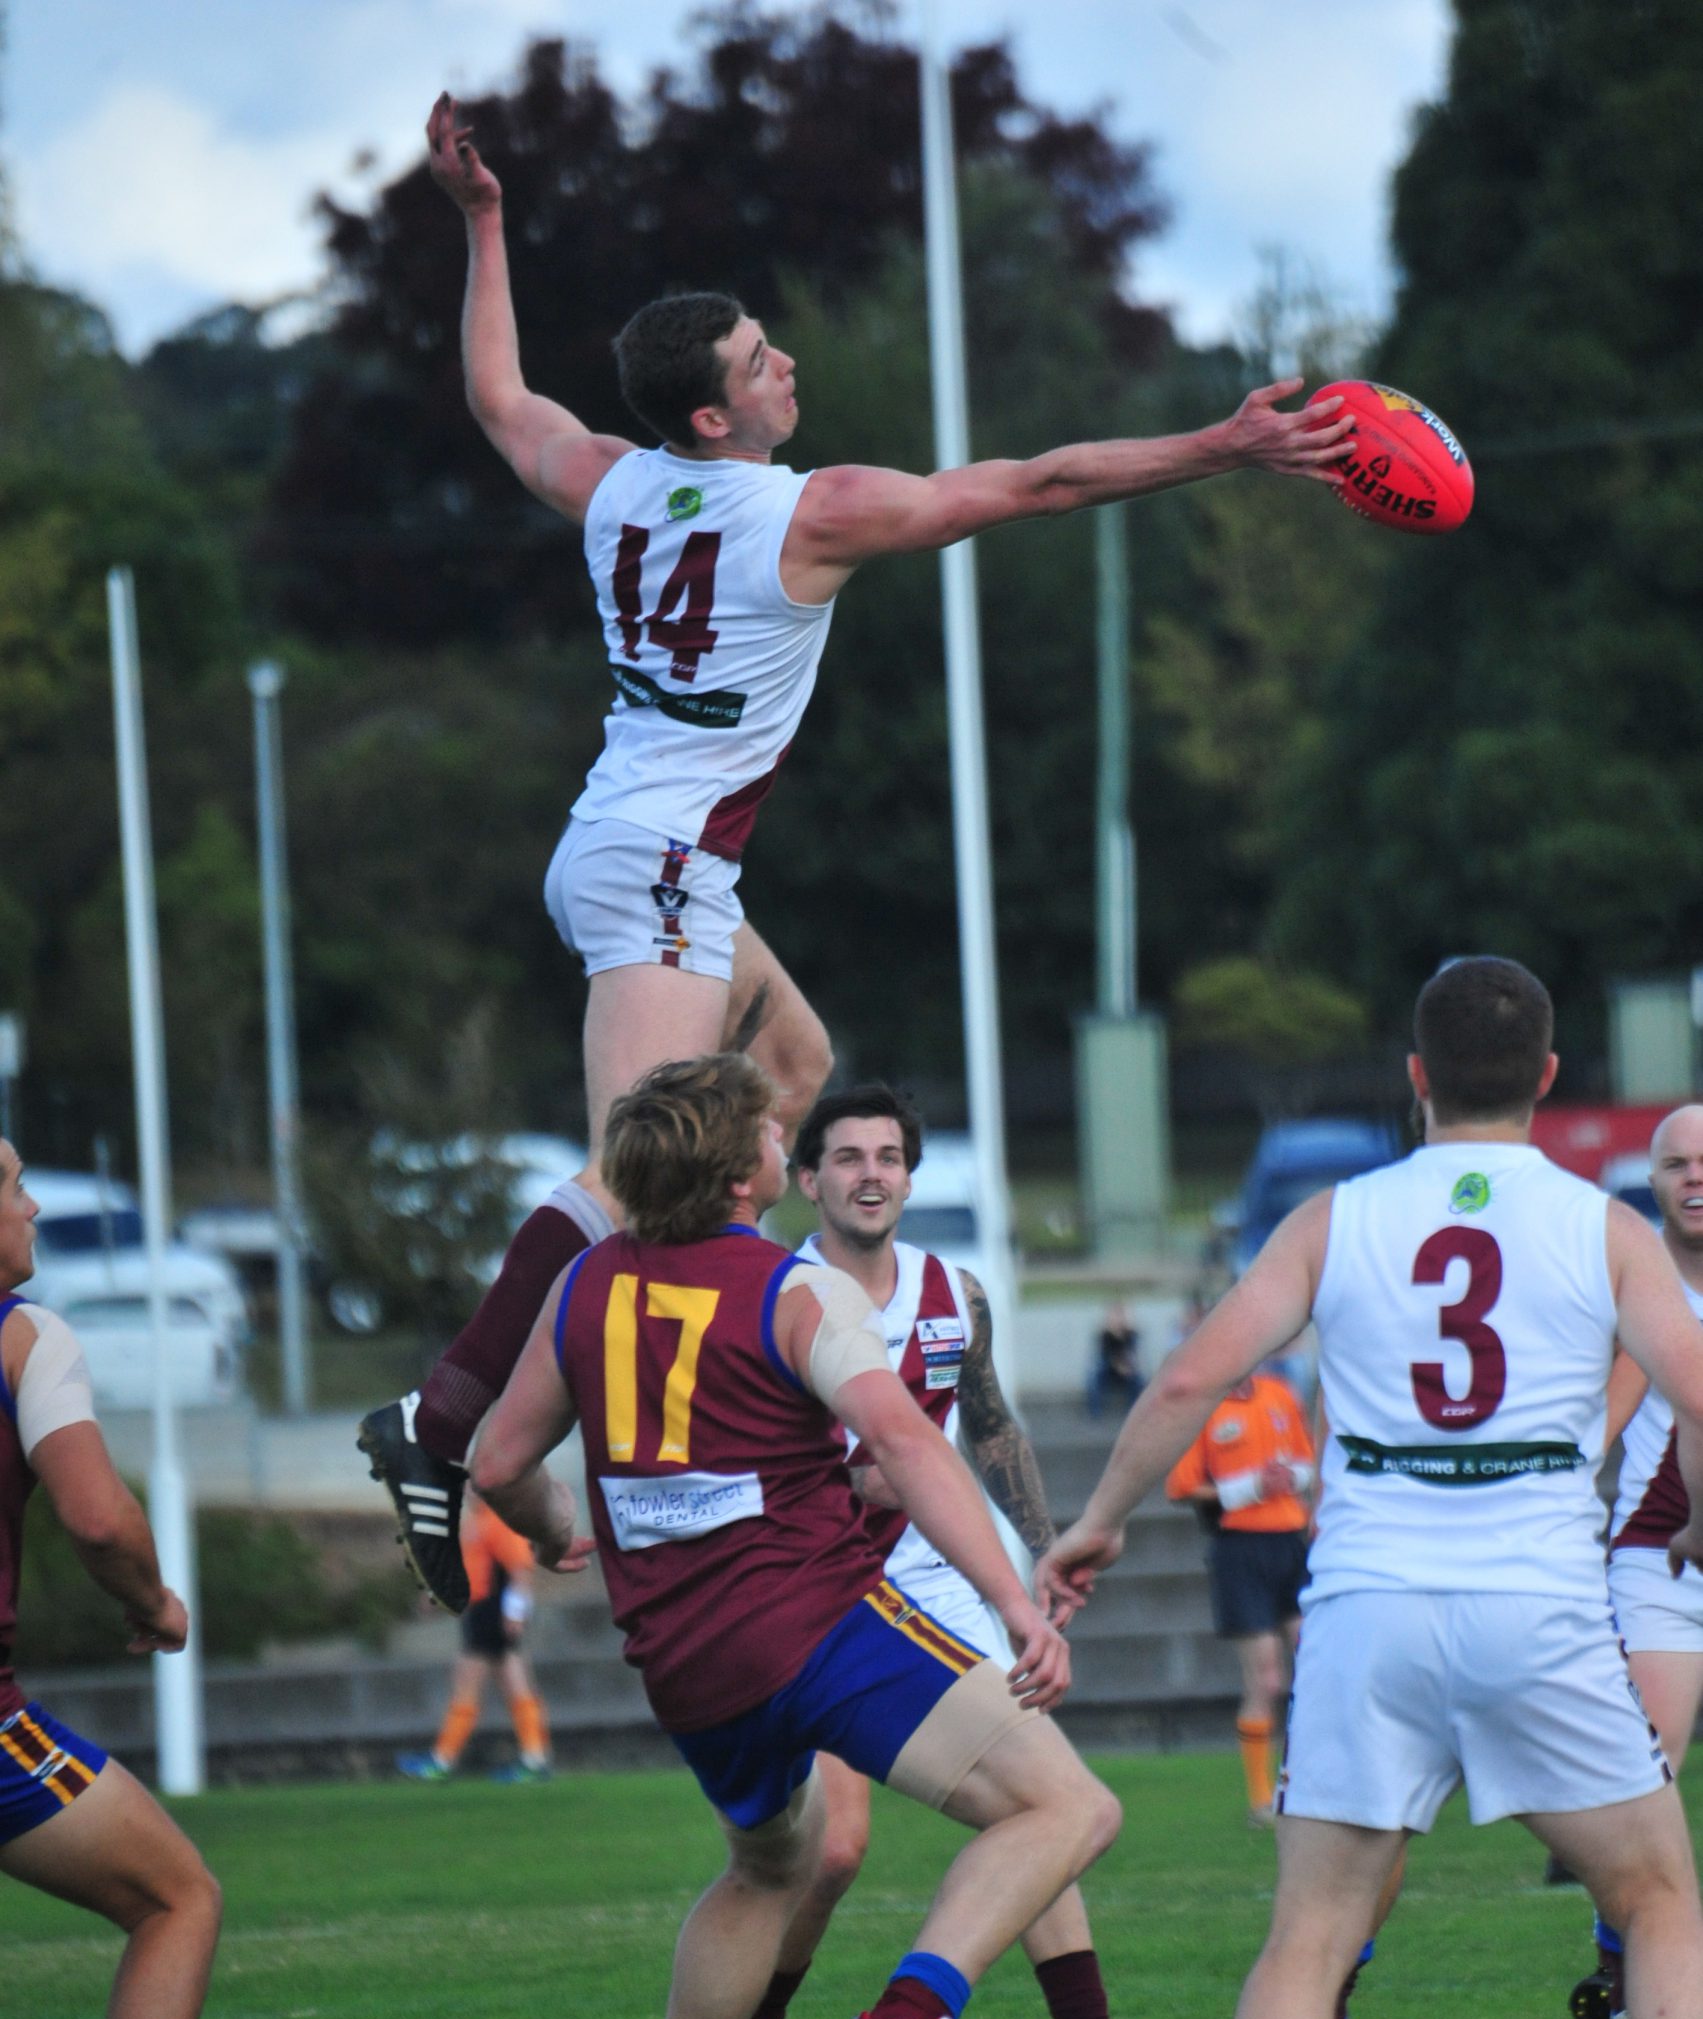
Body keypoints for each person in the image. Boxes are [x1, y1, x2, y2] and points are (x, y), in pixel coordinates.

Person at [357, 90, 1358, 1615]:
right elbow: (1034, 483)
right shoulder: (805, 515)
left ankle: (641, 1349)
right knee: (637, 1176)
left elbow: (501, 399)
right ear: (713, 419)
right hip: (658, 868)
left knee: (795, 1065)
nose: (786, 365)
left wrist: (483, 223)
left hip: (644, 853)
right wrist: (1221, 445)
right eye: (759, 360)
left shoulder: (612, 482)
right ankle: (446, 1425)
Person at [1036, 958, 1703, 2019]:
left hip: (1366, 1604)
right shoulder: (1603, 1228)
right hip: (1536, 1597)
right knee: (1649, 1895)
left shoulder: (1333, 1219)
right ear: (1545, 1077)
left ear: (1413, 1078)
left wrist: (1096, 1521)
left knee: (1311, 1932)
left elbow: (1190, 1374)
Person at [469, 1053, 1119, 2019]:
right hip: (811, 1621)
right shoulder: (791, 1290)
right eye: (773, 1132)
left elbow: (498, 1460)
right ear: (741, 1171)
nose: (787, 1142)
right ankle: (908, 2016)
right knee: (1067, 1805)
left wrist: (556, 1523)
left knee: (768, 1866)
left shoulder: (583, 1285)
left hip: (684, 1662)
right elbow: (909, 1443)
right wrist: (1017, 1604)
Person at [719, 1084, 1188, 2019]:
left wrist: (1040, 1546)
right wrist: (847, 1483)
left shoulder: (952, 1291)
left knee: (1044, 1807)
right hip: (823, 1589)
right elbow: (745, 1458)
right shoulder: (773, 1292)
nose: (871, 1175)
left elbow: (989, 1424)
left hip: (936, 1583)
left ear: (909, 1176)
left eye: (888, 1156)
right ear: (807, 1180)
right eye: (847, 1158)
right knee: (833, 1849)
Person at [0, 1140, 280, 2019]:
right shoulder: (25, 1336)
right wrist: (155, 1600)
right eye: (12, 1185)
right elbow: (99, 1518)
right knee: (178, 1896)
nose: (31, 1207)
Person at [1570, 1103, 1703, 2019]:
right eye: (1675, 1164)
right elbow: (1591, 1436)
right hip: (1663, 1560)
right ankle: (1622, 1967)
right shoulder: (1630, 1286)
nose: (1695, 1178)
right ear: (1649, 1182)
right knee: (1643, 1776)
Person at [1165, 1369, 1316, 1827]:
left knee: (1316, 1665)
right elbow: (1181, 1486)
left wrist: (1291, 1476)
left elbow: (1308, 1460)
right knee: (1266, 1678)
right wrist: (1248, 1487)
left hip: (1291, 1540)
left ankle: (1311, 1785)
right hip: (1240, 1549)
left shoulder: (1279, 1394)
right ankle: (1260, 1798)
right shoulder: (1205, 1407)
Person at [397, 1488, 553, 1782]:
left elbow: (520, 1569)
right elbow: (472, 1570)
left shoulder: (498, 1522)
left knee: (467, 1682)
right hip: (482, 1611)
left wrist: (515, 1612)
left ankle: (442, 1760)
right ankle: (535, 1759)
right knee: (515, 1683)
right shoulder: (477, 1522)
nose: (468, 1490)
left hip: (491, 1613)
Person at [1088, 1304, 1143, 1418]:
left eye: (1120, 1316)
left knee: (1138, 1380)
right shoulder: (1105, 1335)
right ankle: (1095, 1412)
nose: (1117, 1319)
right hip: (1109, 1369)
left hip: (1126, 1369)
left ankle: (1134, 1410)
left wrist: (1126, 1367)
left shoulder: (1130, 1334)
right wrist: (1118, 1366)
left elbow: (1133, 1354)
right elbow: (1105, 1356)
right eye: (1114, 1316)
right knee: (1095, 1378)